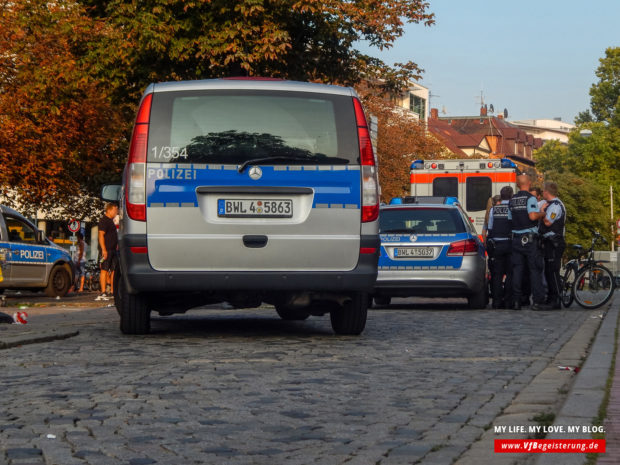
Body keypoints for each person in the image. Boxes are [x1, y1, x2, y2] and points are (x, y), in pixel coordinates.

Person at [508, 174, 551, 311]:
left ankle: (516, 301)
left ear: (518, 184)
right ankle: (537, 301)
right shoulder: (530, 198)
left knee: (517, 270)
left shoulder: (512, 200)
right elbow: (532, 215)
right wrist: (543, 214)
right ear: (529, 183)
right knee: (534, 269)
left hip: (515, 239)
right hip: (529, 238)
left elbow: (510, 219)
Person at [539, 181, 566, 309]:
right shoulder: (549, 204)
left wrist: (542, 212)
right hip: (549, 242)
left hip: (555, 242)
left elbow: (548, 222)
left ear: (546, 192)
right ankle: (550, 298)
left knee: (553, 271)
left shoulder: (555, 206)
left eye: (543, 191)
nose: (542, 193)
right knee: (548, 271)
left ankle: (556, 300)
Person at [487, 186, 514, 309]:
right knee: (510, 274)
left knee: (497, 275)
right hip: (509, 244)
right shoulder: (512, 209)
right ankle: (508, 301)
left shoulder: (494, 209)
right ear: (511, 196)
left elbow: (490, 228)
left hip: (497, 245)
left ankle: (497, 302)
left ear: (501, 196)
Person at [96, 203, 119, 301]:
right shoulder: (104, 221)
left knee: (114, 270)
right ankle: (103, 291)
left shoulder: (111, 221)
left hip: (114, 250)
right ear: (109, 210)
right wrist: (104, 250)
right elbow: (101, 235)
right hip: (107, 250)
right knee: (104, 270)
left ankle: (113, 291)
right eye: (115, 210)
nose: (116, 212)